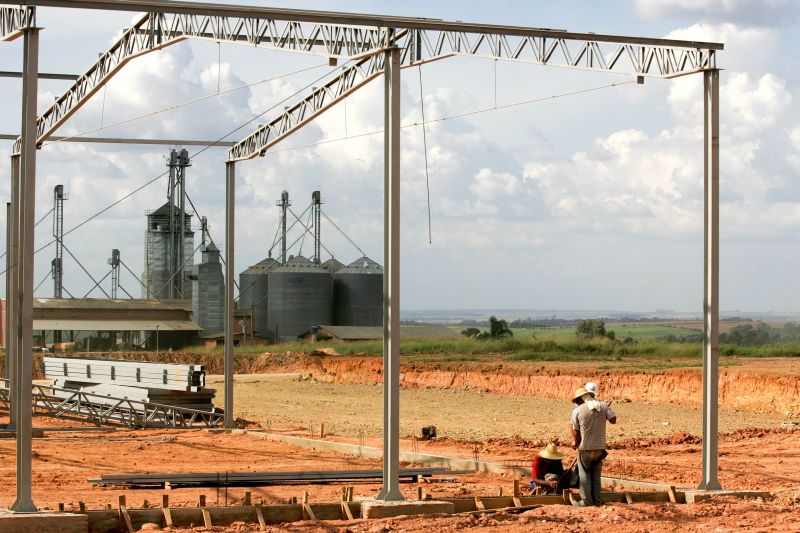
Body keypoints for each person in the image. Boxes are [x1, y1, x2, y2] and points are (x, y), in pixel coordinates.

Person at [570, 386, 617, 506]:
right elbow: (613, 420)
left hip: (585, 447)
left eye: (577, 401)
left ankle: (586, 501)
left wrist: (575, 442)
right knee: (596, 476)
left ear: (581, 399)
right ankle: (596, 500)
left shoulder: (577, 411)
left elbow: (575, 431)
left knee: (584, 474)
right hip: (600, 448)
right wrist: (604, 411)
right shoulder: (603, 406)